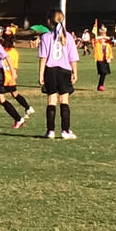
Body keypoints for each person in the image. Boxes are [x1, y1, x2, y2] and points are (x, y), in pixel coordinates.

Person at [38, 12, 78, 140]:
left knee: (51, 101)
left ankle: (50, 131)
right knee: (64, 101)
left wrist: (41, 74)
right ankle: (65, 130)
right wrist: (75, 72)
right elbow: (73, 58)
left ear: (49, 21)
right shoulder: (69, 37)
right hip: (65, 71)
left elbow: (43, 58)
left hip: (50, 71)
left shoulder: (45, 37)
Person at [92, 28, 113, 92]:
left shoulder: (108, 43)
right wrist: (102, 37)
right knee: (102, 72)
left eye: (104, 32)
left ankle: (100, 85)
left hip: (106, 59)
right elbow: (95, 38)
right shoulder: (97, 41)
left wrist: (110, 58)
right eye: (103, 32)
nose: (104, 33)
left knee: (104, 73)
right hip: (100, 58)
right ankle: (100, 85)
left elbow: (110, 50)